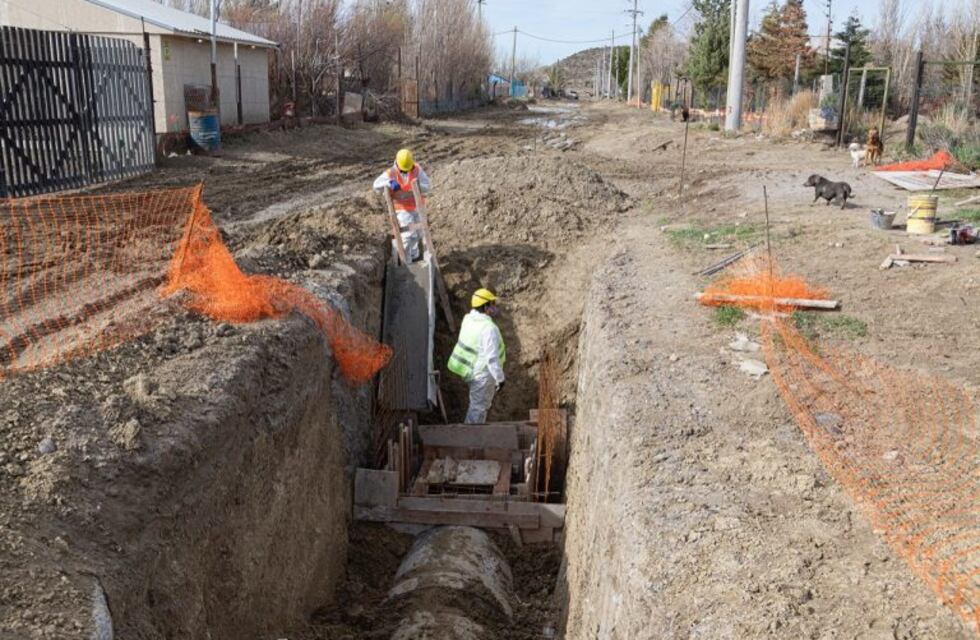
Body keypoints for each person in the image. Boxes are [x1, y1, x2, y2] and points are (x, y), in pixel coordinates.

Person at [447, 288, 506, 424]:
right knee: (478, 409)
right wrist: (500, 378)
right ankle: (470, 440)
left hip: (469, 370)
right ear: (485, 306)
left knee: (476, 406)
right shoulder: (488, 328)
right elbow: (492, 358)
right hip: (482, 374)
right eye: (492, 304)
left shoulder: (468, 319)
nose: (495, 307)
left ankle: (472, 437)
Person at [373, 148, 431, 262]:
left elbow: (428, 186)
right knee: (408, 235)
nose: (405, 172)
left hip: (417, 207)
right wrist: (388, 182)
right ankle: (407, 262)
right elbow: (376, 186)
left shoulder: (417, 170)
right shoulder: (391, 173)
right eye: (403, 170)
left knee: (418, 234)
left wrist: (418, 185)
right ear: (397, 164)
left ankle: (414, 256)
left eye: (407, 169)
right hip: (402, 209)